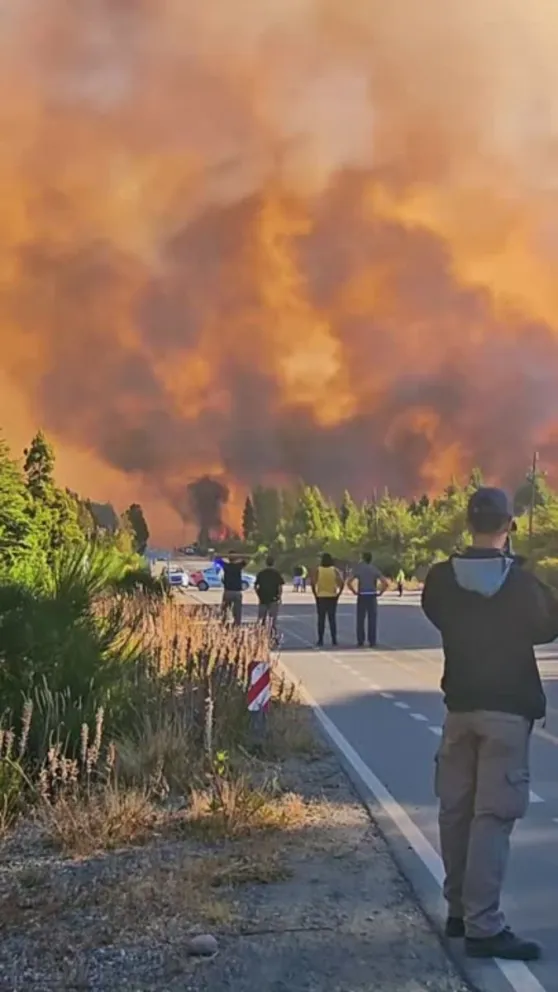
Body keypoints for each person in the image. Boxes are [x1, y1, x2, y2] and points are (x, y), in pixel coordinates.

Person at [422, 487, 558, 962]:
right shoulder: (521, 585)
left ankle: (459, 910)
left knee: (455, 812)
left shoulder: (440, 580)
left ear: (468, 522)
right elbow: (548, 626)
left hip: (458, 712)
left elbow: (436, 610)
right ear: (509, 525)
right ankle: (484, 926)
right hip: (505, 716)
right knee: (492, 818)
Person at [348, 552, 388, 647]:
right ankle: (372, 640)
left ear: (363, 558)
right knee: (372, 619)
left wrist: (354, 591)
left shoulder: (359, 569)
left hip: (362, 595)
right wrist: (380, 592)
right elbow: (385, 582)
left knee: (360, 619)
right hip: (372, 595)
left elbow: (349, 582)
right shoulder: (374, 569)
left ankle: (360, 640)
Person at [311, 552, 344, 647]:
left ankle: (320, 639)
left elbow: (313, 582)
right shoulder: (335, 570)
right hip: (332, 596)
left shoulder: (318, 570)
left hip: (321, 596)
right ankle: (334, 639)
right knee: (332, 618)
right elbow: (341, 582)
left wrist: (315, 594)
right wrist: (338, 593)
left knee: (321, 619)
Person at [255, 556, 284, 634]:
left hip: (263, 598)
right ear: (273, 563)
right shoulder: (276, 574)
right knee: (273, 619)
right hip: (273, 598)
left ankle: (260, 634)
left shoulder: (261, 573)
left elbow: (256, 586)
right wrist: (280, 597)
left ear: (266, 563)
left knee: (261, 619)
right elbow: (280, 587)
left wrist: (258, 595)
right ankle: (272, 634)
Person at [220, 551, 247, 626]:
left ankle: (223, 622)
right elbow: (245, 561)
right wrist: (239, 556)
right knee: (237, 609)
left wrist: (223, 555)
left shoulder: (226, 566)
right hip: (237, 592)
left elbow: (217, 560)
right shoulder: (238, 566)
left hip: (228, 591)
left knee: (225, 608)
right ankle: (237, 623)